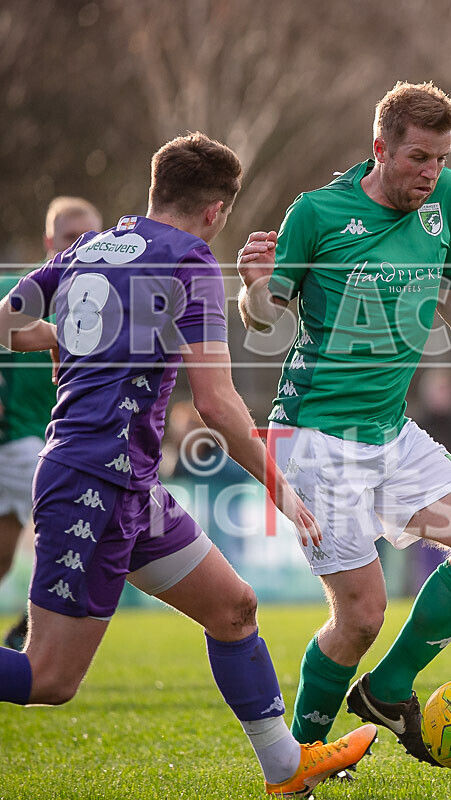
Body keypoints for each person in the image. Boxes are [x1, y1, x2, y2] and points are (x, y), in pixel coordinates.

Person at [0, 132, 376, 796]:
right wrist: (281, 492)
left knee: (234, 608)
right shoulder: (192, 261)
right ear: (215, 211)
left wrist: (69, 338)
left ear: (156, 189)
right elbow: (218, 403)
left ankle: (285, 769)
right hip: (96, 481)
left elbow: (9, 323)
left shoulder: (88, 248)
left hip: (125, 482)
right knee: (50, 680)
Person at [237, 81, 451, 766]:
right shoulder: (317, 214)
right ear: (379, 148)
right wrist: (252, 284)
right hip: (316, 443)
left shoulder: (445, 198)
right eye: (417, 158)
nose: (430, 173)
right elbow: (264, 318)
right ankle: (302, 760)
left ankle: (387, 688)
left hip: (391, 436)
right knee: (361, 617)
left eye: (441, 158)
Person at [0, 197, 103, 650]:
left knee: (3, 559)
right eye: (69, 238)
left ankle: (24, 632)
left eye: (91, 238)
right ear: (48, 242)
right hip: (24, 447)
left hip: (51, 445)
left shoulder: (104, 300)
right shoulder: (16, 290)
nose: (81, 246)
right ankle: (32, 635)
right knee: (95, 536)